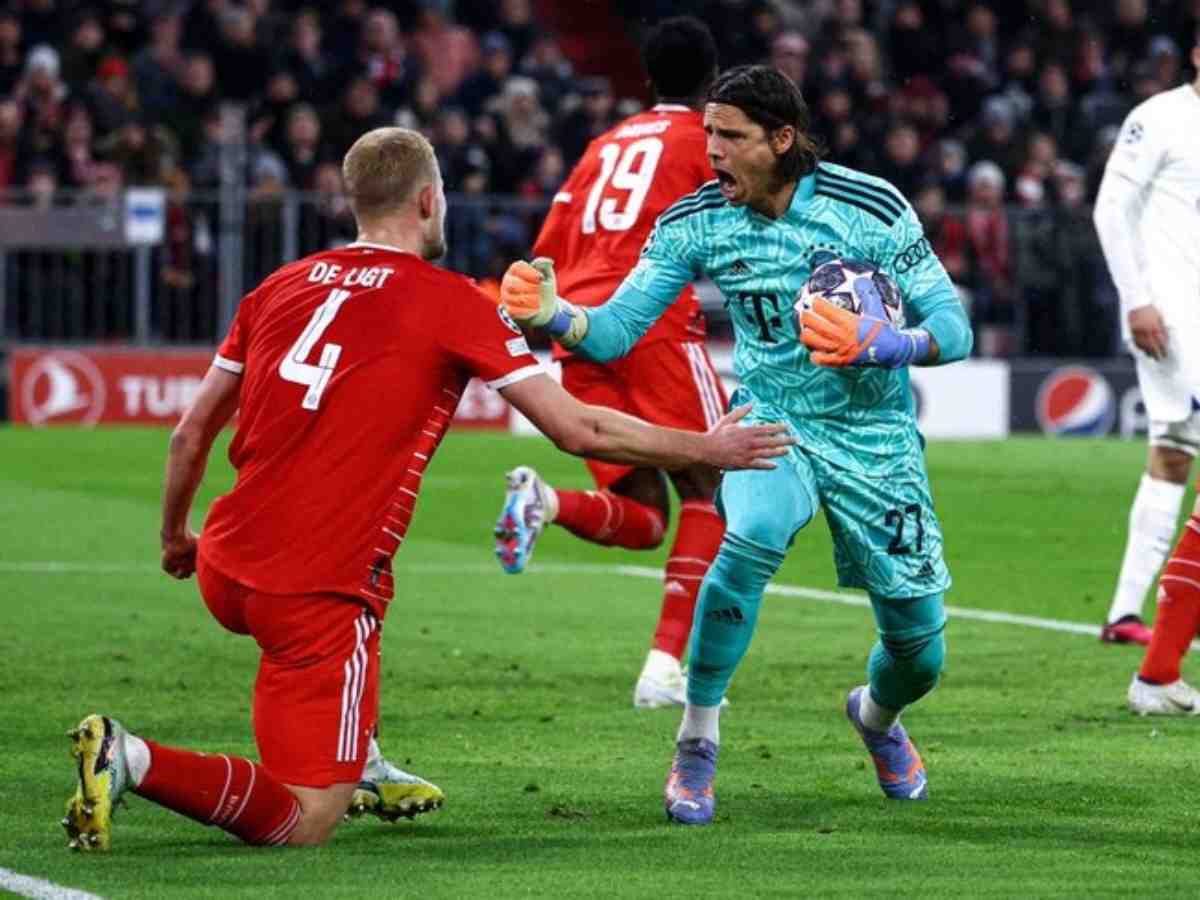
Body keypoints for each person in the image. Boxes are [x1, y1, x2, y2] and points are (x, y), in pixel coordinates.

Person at [59, 127, 793, 852]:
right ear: (429, 201)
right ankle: (132, 758)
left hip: (224, 561)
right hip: (311, 594)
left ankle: (365, 756)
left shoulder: (278, 285)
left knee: (375, 569)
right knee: (305, 816)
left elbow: (189, 434)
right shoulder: (448, 302)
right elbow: (579, 433)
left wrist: (174, 538)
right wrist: (706, 447)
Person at [496, 65, 973, 823]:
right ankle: (697, 741)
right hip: (770, 417)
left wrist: (887, 344)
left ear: (781, 139)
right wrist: (556, 316)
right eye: (709, 132)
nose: (710, 150)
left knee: (921, 651)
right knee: (746, 532)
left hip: (876, 438)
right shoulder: (696, 220)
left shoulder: (871, 208)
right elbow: (616, 330)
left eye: (730, 136)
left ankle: (877, 717)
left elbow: (954, 329)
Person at [491, 16, 729, 710]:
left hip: (579, 325)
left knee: (647, 515)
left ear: (648, 79)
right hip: (648, 321)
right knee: (713, 482)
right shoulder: (705, 140)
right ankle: (663, 667)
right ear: (711, 83)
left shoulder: (603, 145)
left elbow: (546, 247)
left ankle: (544, 502)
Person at [1093, 31, 1200, 708]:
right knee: (1174, 453)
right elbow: (1110, 209)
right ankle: (1156, 662)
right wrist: (1138, 302)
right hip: (1175, 317)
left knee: (1173, 453)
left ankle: (1132, 619)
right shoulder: (1159, 117)